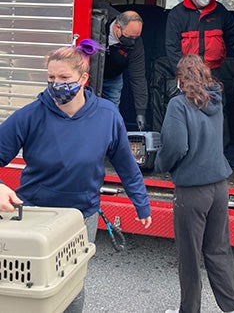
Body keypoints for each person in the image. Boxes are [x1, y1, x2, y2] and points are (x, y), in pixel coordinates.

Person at [0, 38, 152, 313]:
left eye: (64, 77)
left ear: (83, 78)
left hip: (82, 216)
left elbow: (125, 164)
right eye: (51, 77)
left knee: (72, 287)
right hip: (35, 216)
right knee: (31, 289)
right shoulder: (30, 115)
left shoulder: (107, 115)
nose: (56, 83)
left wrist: (141, 202)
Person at [154, 54, 234, 313]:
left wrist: (160, 164)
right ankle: (231, 305)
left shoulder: (178, 105)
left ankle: (189, 310)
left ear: (180, 79)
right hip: (219, 186)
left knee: (190, 257)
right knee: (218, 248)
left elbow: (176, 146)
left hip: (192, 190)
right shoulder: (215, 100)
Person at [165, 0, 234, 147]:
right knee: (189, 111)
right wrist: (183, 74)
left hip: (214, 71)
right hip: (189, 74)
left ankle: (220, 150)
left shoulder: (220, 12)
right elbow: (171, 48)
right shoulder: (177, 14)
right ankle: (191, 149)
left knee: (219, 110)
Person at [93, 2, 148, 131]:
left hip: (113, 78)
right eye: (129, 37)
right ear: (117, 27)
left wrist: (141, 112)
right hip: (91, 74)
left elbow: (138, 77)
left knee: (112, 113)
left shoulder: (136, 44)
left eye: (136, 37)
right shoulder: (100, 21)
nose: (132, 41)